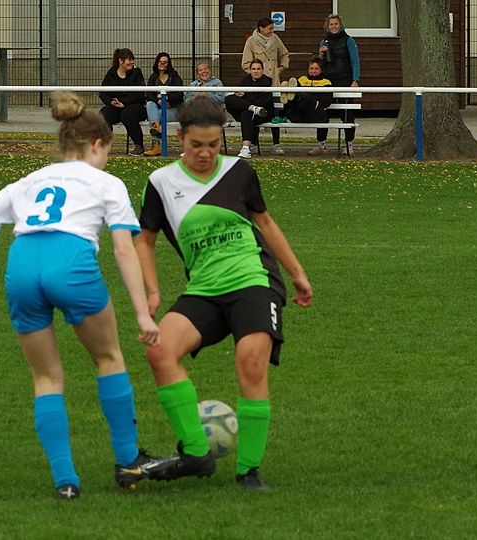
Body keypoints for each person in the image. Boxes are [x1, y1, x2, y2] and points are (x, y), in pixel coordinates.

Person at [0, 91, 173, 500]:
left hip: (23, 265)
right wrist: (143, 313)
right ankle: (128, 461)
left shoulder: (31, 180)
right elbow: (122, 248)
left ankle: (65, 481)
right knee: (108, 357)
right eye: (107, 152)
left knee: (46, 377)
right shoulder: (107, 183)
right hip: (70, 262)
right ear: (97, 145)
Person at [134, 95, 313, 492]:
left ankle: (249, 472)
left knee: (251, 362)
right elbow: (144, 240)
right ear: (180, 137)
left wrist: (297, 273)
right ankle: (196, 454)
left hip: (254, 280)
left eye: (213, 144)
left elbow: (265, 222)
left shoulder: (239, 171)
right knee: (160, 352)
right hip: (204, 288)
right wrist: (152, 291)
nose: (205, 153)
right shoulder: (161, 183)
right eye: (196, 145)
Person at [242, 17, 290, 155]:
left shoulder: (275, 39)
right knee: (257, 110)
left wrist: (281, 67)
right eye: (270, 28)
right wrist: (256, 73)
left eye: (273, 28)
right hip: (257, 84)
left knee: (275, 112)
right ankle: (254, 143)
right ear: (261, 28)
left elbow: (284, 54)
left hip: (274, 82)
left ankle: (276, 143)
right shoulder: (251, 41)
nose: (272, 31)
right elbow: (245, 63)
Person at [318, 14, 361, 155]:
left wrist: (355, 80)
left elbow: (355, 61)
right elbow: (319, 63)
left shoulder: (349, 40)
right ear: (327, 26)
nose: (334, 26)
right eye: (331, 24)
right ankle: (321, 144)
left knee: (347, 112)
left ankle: (349, 144)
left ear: (340, 25)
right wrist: (321, 54)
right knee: (323, 111)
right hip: (328, 80)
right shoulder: (324, 41)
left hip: (344, 79)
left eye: (336, 24)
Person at [279, 58, 333, 156]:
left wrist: (315, 103)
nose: (313, 71)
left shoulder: (326, 82)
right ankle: (288, 95)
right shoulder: (302, 80)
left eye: (316, 68)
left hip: (315, 114)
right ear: (308, 69)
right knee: (299, 97)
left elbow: (327, 101)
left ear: (321, 70)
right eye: (311, 68)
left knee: (305, 96)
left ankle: (290, 93)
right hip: (299, 114)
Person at [99, 48, 148, 156]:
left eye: (132, 59)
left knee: (127, 114)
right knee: (103, 114)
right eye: (129, 60)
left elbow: (139, 94)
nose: (132, 62)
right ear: (120, 61)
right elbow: (103, 93)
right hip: (116, 107)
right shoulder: (111, 73)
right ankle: (105, 144)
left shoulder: (137, 72)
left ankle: (139, 145)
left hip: (136, 106)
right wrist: (111, 102)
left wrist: (123, 102)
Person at [224, 58, 274, 159]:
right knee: (229, 99)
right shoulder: (245, 80)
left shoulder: (266, 82)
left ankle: (246, 148)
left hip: (262, 114)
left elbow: (263, 103)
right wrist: (238, 94)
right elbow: (238, 95)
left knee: (246, 114)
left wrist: (245, 96)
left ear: (262, 70)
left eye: (258, 69)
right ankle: (253, 108)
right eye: (253, 69)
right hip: (246, 111)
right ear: (250, 70)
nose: (256, 71)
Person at [144, 52, 185, 157]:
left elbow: (180, 95)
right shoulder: (154, 77)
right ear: (156, 63)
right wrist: (157, 101)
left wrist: (166, 97)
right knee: (150, 104)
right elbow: (148, 94)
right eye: (160, 61)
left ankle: (155, 144)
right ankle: (156, 132)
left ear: (168, 64)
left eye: (165, 62)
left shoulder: (174, 76)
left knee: (154, 117)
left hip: (173, 110)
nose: (162, 64)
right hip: (157, 108)